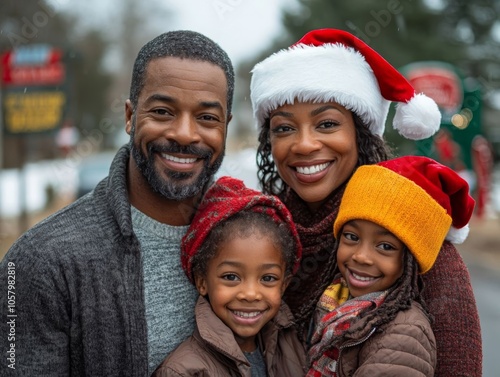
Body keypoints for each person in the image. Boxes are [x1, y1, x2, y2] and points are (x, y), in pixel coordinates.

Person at [0, 30, 234, 376]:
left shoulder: (254, 237)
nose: (185, 133)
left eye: (207, 117)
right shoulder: (39, 263)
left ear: (226, 127)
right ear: (129, 117)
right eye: (163, 111)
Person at [250, 28, 482, 377]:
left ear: (361, 133)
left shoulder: (410, 230)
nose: (304, 145)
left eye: (326, 124)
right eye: (284, 129)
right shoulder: (257, 232)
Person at [306, 155, 475, 376]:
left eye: (385, 246)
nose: (361, 256)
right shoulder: (334, 299)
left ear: (411, 261)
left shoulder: (402, 334)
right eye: (351, 236)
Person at [153, 176, 307, 376]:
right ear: (202, 281)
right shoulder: (184, 371)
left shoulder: (290, 344)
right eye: (231, 277)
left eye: (268, 278)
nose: (250, 294)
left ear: (284, 285)